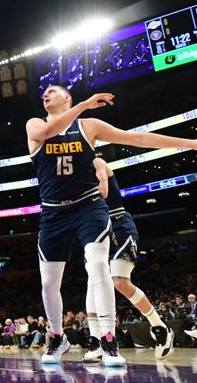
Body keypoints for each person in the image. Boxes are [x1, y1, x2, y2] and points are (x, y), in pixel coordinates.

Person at [26, 85, 196, 367]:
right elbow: (44, 134)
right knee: (48, 283)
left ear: (66, 97)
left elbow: (136, 138)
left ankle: (108, 341)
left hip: (88, 206)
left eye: (52, 91)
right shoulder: (34, 123)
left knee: (98, 267)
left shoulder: (89, 125)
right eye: (43, 92)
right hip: (54, 212)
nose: (44, 94)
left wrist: (189, 143)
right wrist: (82, 105)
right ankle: (57, 337)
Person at [82, 154, 174, 361]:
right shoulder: (71, 174)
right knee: (93, 282)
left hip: (117, 223)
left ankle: (160, 327)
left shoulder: (97, 162)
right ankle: (96, 340)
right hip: (95, 229)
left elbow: (103, 191)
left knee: (119, 282)